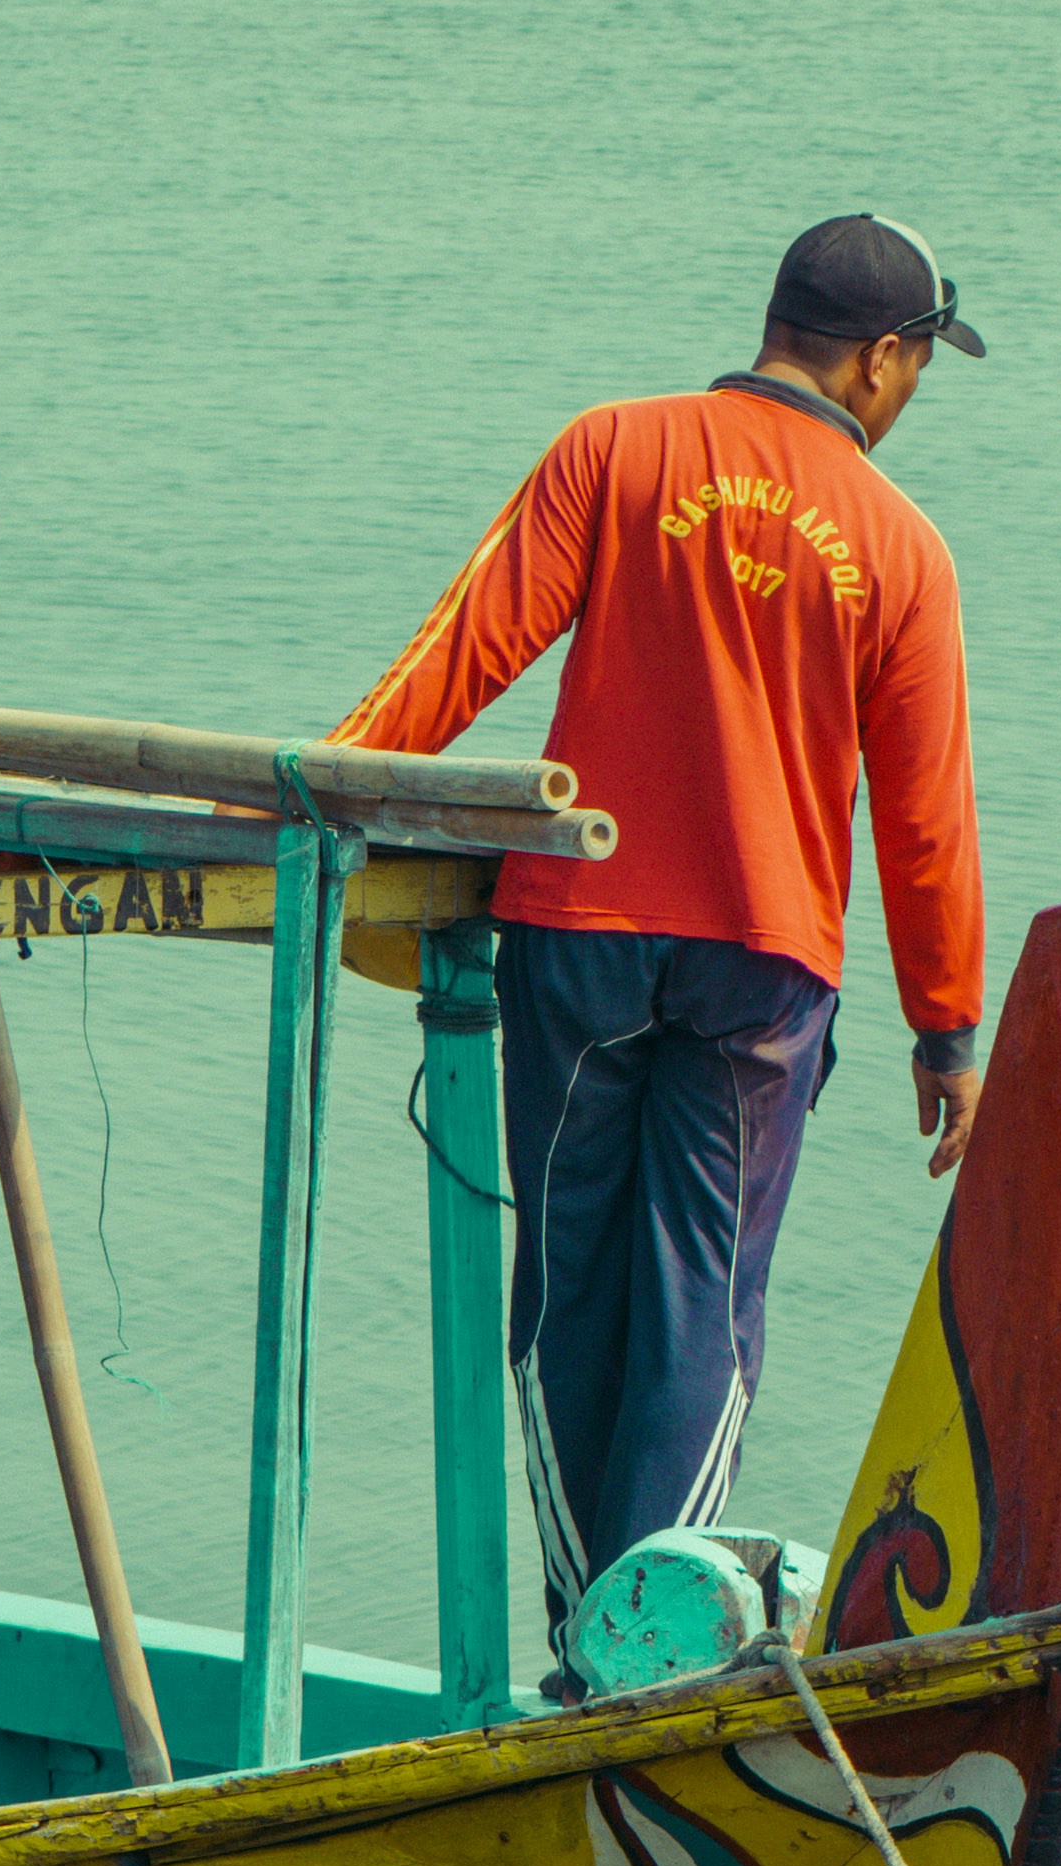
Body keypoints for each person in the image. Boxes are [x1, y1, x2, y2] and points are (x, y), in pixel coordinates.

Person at [328, 215, 989, 1675]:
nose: (910, 395)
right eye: (921, 365)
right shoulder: (901, 547)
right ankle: (646, 1651)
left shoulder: (614, 450)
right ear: (880, 359)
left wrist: (336, 788)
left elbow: (467, 652)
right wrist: (947, 1032)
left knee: (568, 1287)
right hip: (764, 965)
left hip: (579, 935)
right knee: (703, 1300)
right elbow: (927, 815)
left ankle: (584, 1628)